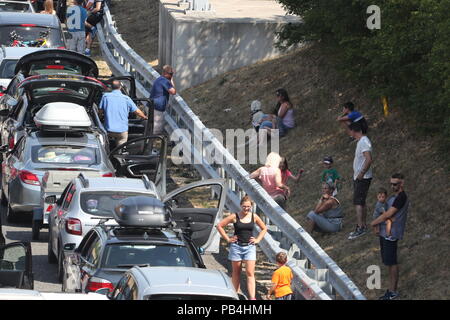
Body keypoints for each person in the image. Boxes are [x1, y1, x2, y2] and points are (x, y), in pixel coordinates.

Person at [216, 196, 267, 300]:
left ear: (251, 206)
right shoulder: (235, 216)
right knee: (236, 272)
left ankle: (252, 298)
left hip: (250, 247)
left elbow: (264, 228)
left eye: (248, 206)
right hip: (236, 247)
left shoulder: (254, 216)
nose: (246, 208)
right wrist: (228, 239)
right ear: (240, 205)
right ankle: (235, 296)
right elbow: (219, 225)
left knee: (250, 272)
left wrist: (257, 240)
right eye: (244, 206)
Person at [370, 173, 409, 300]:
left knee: (392, 262)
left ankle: (393, 292)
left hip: (391, 235)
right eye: (391, 184)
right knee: (388, 262)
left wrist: (373, 223)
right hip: (385, 233)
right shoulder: (394, 197)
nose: (393, 186)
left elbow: (388, 214)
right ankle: (391, 290)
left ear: (402, 183)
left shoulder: (401, 197)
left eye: (395, 184)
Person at [98, 80, 148, 148]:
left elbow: (100, 111)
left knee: (105, 147)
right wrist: (145, 117)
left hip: (108, 130)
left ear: (111, 87)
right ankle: (119, 156)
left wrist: (99, 119)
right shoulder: (126, 98)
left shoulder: (105, 97)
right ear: (120, 87)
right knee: (121, 147)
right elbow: (137, 112)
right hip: (122, 131)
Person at [348, 121, 373, 240]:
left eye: (350, 130)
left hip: (362, 178)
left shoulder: (364, 142)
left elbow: (368, 159)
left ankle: (360, 227)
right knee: (361, 201)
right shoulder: (362, 141)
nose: (349, 132)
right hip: (359, 177)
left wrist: (362, 173)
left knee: (358, 202)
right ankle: (363, 225)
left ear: (354, 130)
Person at [149, 65, 176, 134]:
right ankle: (153, 142)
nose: (171, 75)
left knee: (150, 127)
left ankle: (149, 140)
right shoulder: (165, 81)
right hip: (157, 108)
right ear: (165, 73)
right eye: (170, 74)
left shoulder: (159, 79)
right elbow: (173, 92)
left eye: (172, 74)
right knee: (157, 130)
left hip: (152, 105)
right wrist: (171, 79)